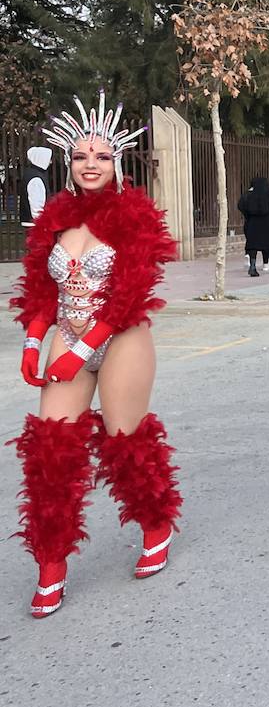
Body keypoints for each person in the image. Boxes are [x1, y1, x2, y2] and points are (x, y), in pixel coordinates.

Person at [10, 93, 180, 618]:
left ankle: (156, 521)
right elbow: (41, 288)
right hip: (66, 329)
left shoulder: (136, 214)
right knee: (51, 450)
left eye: (102, 157)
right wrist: (36, 340)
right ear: (69, 162)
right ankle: (51, 565)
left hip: (121, 335)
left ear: (117, 164)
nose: (91, 164)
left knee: (122, 439)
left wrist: (82, 348)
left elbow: (132, 293)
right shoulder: (54, 219)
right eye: (82, 156)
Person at [237, 175, 269, 276]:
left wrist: (248, 216)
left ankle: (253, 266)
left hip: (253, 222)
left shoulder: (249, 195)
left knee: (253, 246)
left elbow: (241, 205)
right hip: (268, 223)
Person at [20, 145, 51, 226]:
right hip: (35, 225)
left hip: (33, 223)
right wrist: (42, 223)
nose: (50, 162)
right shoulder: (36, 178)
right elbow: (36, 206)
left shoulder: (32, 173)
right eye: (48, 158)